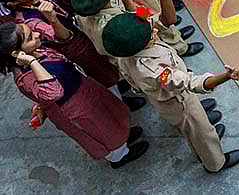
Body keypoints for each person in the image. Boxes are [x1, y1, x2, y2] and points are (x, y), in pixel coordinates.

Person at [103, 12, 239, 173]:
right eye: (150, 36)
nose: (155, 32)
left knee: (190, 130)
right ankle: (215, 162)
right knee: (203, 133)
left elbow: (147, 17)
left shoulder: (124, 54)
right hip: (180, 101)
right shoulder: (152, 70)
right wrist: (226, 76)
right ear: (138, 44)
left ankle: (200, 147)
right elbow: (188, 82)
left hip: (165, 101)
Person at [0, 22, 147, 167]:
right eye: (30, 37)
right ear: (17, 54)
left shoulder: (39, 48)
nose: (37, 35)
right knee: (101, 131)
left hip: (84, 90)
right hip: (74, 108)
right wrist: (32, 62)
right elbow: (53, 93)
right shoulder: (25, 78)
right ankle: (120, 155)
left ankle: (122, 137)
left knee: (109, 117)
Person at [0, 0, 126, 90]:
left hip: (79, 23)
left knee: (108, 55)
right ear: (13, 3)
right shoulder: (29, 21)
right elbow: (65, 37)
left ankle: (123, 79)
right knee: (100, 69)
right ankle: (119, 92)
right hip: (74, 44)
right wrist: (53, 19)